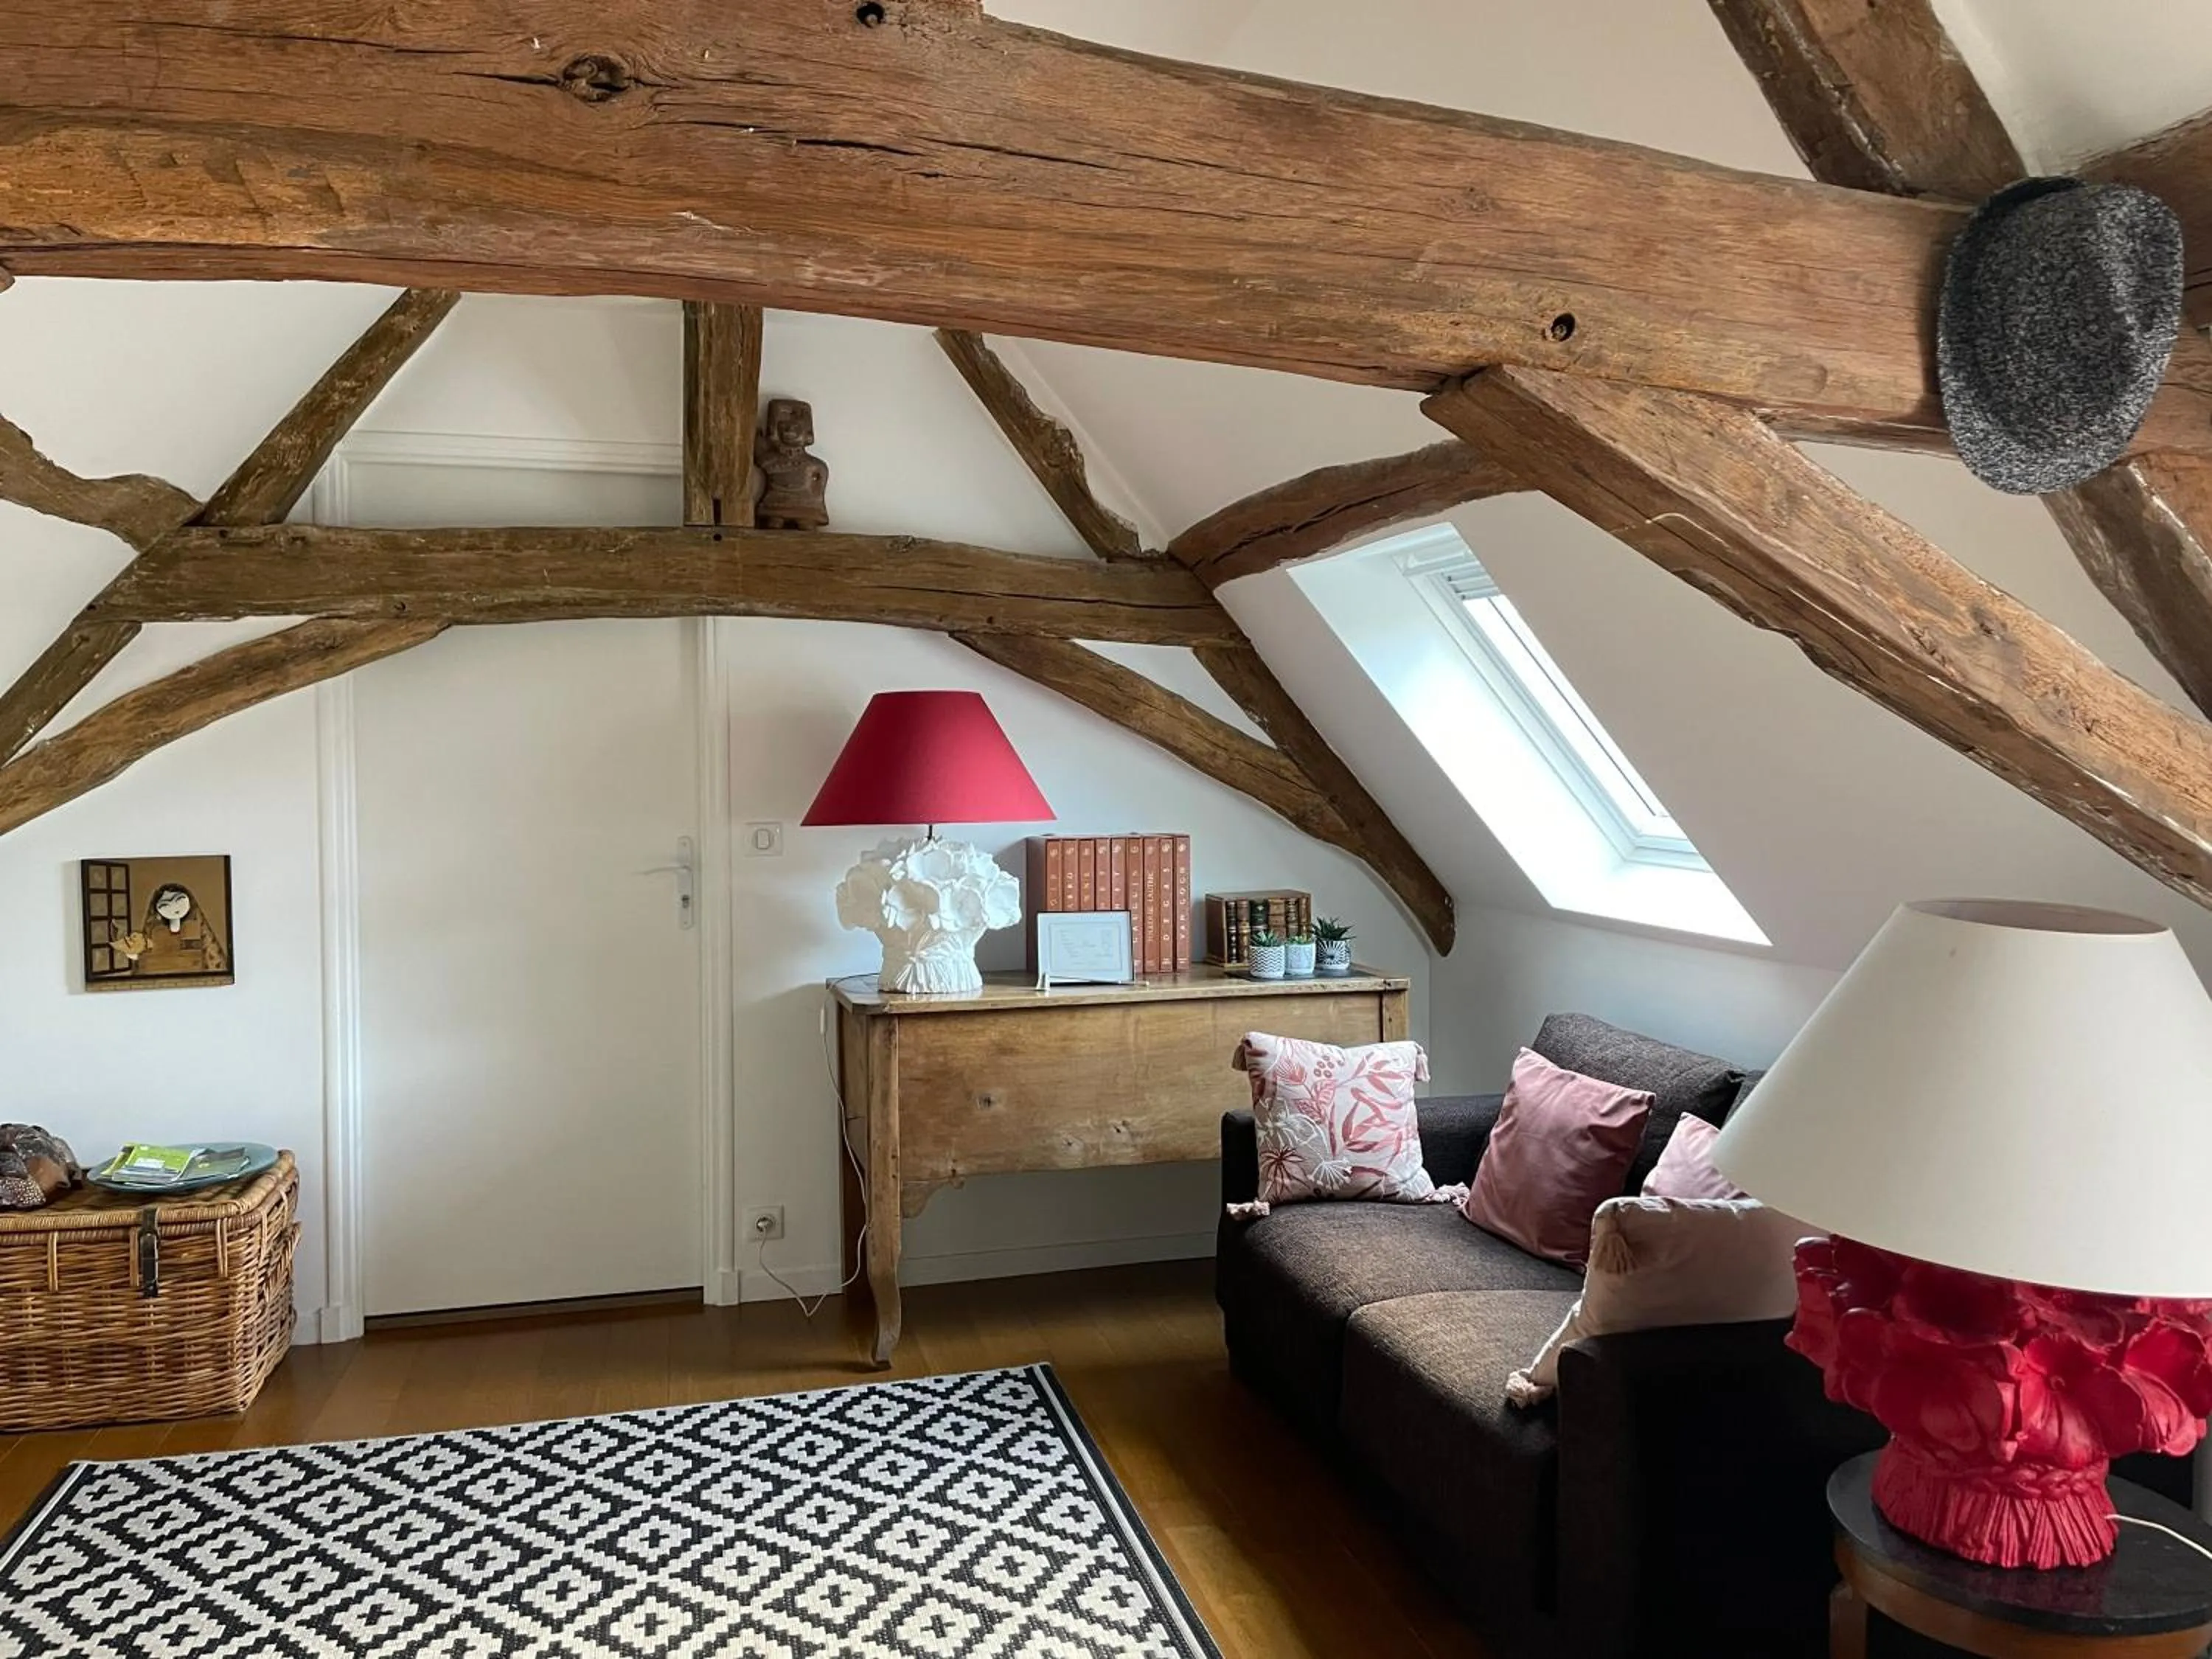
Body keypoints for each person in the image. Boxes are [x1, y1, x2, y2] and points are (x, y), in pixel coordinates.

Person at [112, 882, 229, 977]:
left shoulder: (197, 924)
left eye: (179, 901)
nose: (175, 908)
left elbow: (213, 955)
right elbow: (143, 960)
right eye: (166, 905)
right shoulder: (153, 929)